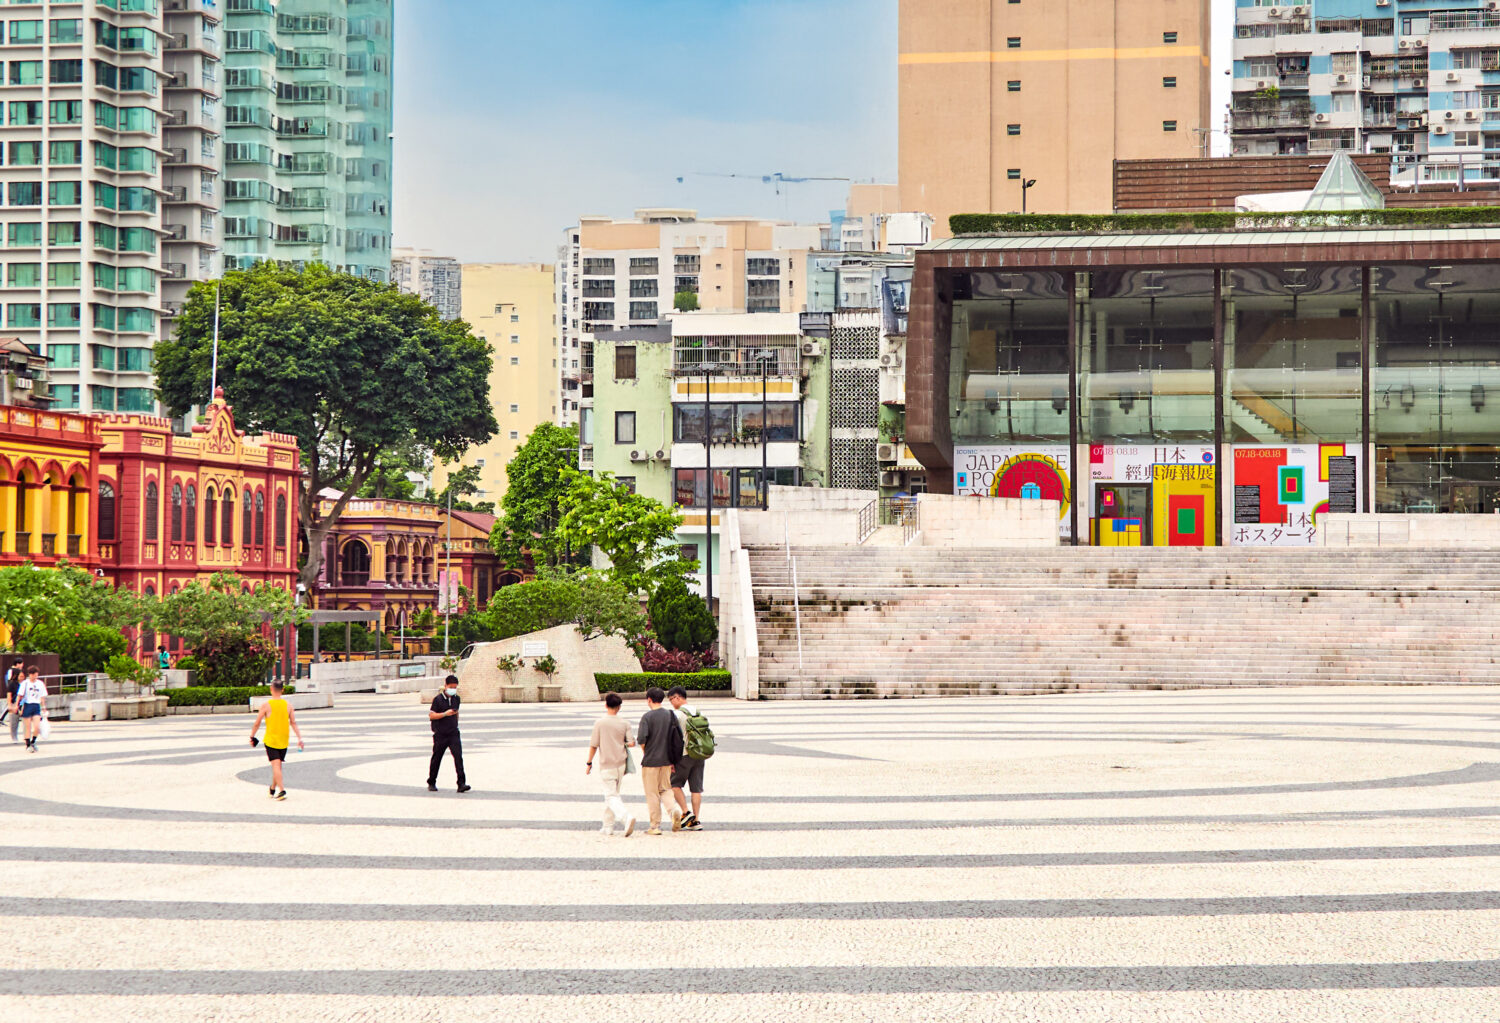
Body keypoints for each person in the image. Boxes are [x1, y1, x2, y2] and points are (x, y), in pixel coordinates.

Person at [586, 691, 636, 837]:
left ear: (606, 705)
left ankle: (625, 817)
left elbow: (594, 745)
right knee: (613, 794)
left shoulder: (599, 723)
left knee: (610, 796)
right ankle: (608, 826)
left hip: (606, 763)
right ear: (619, 707)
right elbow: (631, 743)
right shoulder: (625, 723)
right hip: (620, 763)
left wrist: (589, 762)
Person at [634, 686, 682, 836]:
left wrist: (646, 752)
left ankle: (655, 826)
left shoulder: (647, 717)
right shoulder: (670, 715)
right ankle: (673, 810)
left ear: (649, 699)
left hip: (651, 761)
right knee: (666, 789)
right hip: (667, 760)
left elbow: (642, 739)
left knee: (652, 793)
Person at [249, 681, 303, 799]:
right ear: (282, 690)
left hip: (271, 740)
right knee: (277, 765)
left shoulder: (266, 705)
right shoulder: (288, 705)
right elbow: (293, 723)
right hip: (284, 740)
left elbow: (257, 723)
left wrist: (252, 736)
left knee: (276, 766)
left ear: (271, 689)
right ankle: (272, 788)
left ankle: (282, 790)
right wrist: (300, 738)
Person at [667, 685, 710, 831]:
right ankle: (696, 821)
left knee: (674, 784)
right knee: (696, 789)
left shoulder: (677, 715)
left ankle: (686, 812)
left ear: (677, 697)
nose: (671, 703)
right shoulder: (698, 712)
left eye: (671, 699)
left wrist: (671, 758)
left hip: (684, 755)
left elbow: (673, 738)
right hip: (699, 754)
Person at [428, 674, 470, 793]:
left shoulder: (457, 699)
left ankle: (461, 783)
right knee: (437, 758)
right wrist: (445, 714)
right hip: (440, 734)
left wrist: (455, 723)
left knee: (458, 757)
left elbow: (456, 713)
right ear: (445, 686)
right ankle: (431, 781)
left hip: (453, 733)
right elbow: (431, 715)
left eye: (455, 687)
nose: (453, 689)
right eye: (451, 687)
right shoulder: (438, 700)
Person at [17, 666, 46, 753]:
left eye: (36, 675)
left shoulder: (40, 683)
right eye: (33, 675)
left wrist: (43, 707)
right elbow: (20, 695)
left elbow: (42, 696)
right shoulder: (25, 683)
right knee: (28, 726)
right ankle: (28, 744)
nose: (34, 676)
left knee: (37, 726)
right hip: (27, 705)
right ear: (29, 674)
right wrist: (17, 705)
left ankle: (33, 741)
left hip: (36, 705)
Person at [4, 659, 22, 744]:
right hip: (13, 703)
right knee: (13, 721)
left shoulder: (20, 684)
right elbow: (9, 695)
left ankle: (16, 736)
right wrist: (10, 704)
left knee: (17, 721)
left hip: (19, 703)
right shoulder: (11, 683)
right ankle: (14, 736)